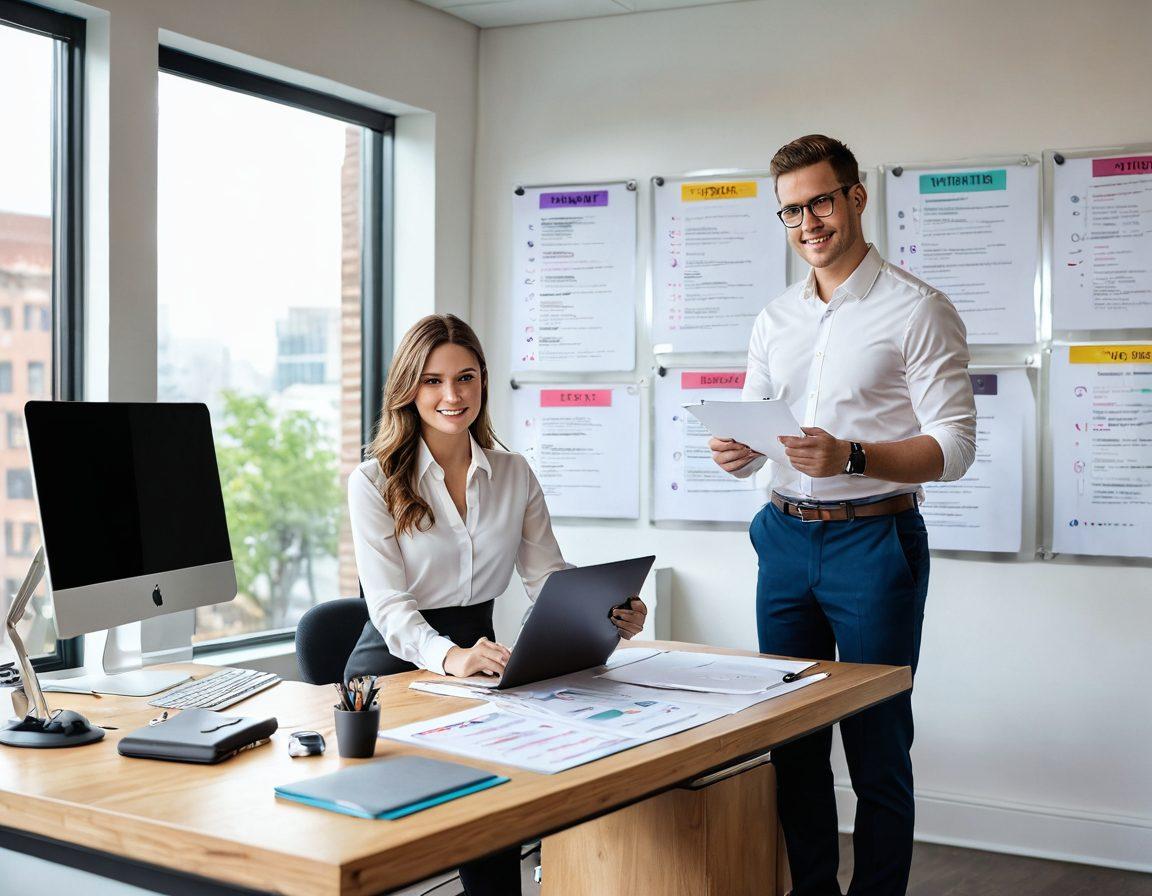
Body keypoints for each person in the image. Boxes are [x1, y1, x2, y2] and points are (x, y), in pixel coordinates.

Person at [710, 135, 976, 896]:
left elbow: (954, 447)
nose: (807, 223)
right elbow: (764, 423)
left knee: (877, 746)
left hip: (875, 543)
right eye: (791, 210)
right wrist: (743, 454)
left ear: (856, 197)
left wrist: (854, 457)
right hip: (784, 540)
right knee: (792, 742)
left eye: (820, 202)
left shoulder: (918, 309)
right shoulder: (775, 318)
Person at [345, 313, 647, 896]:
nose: (451, 395)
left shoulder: (513, 473)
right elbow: (387, 607)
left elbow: (548, 576)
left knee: (498, 825)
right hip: (393, 671)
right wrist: (450, 656)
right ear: (408, 389)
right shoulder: (374, 481)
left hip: (480, 666)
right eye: (432, 381)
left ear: (483, 382)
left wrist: (610, 612)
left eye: (465, 377)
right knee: (402, 846)